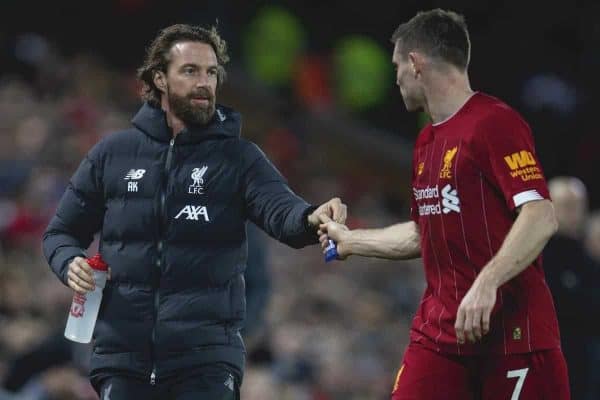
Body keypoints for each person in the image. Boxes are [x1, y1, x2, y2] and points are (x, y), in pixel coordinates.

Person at [42, 24, 346, 400]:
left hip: (206, 362)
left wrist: (311, 217)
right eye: (190, 71)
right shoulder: (111, 155)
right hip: (122, 360)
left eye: (212, 72)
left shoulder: (239, 158)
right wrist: (69, 261)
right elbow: (60, 233)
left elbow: (283, 212)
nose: (205, 82)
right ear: (160, 79)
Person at [318, 9, 569, 400]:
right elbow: (425, 232)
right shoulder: (427, 143)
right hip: (439, 337)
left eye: (397, 65)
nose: (396, 76)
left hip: (513, 337)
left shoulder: (494, 122)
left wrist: (487, 282)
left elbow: (540, 214)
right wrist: (350, 242)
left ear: (416, 63)